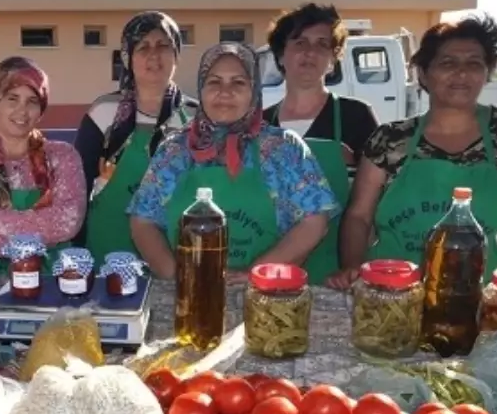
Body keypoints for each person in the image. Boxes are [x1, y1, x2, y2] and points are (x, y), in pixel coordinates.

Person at [328, 14, 497, 289]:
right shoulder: (389, 140)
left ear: (487, 73)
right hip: (395, 297)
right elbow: (359, 216)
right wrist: (353, 268)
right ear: (424, 74)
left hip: (490, 301)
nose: (461, 73)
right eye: (448, 63)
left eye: (474, 63)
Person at [128, 43, 340, 277]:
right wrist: (176, 276)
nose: (224, 92)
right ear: (201, 89)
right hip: (185, 295)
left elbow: (314, 222)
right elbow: (143, 221)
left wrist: (253, 274)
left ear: (254, 91)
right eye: (214, 82)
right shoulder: (174, 151)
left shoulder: (284, 149)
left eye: (238, 82)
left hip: (263, 293)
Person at [261, 4, 382, 284]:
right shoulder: (262, 125)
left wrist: (353, 267)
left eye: (322, 44)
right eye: (299, 42)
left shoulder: (357, 116)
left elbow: (373, 203)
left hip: (337, 271)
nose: (310, 52)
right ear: (281, 55)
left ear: (333, 58)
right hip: (271, 267)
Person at [73, 12, 199, 263]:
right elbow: (80, 187)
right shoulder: (104, 112)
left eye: (163, 45)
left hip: (170, 251)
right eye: (143, 47)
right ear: (128, 57)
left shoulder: (196, 119)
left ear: (176, 54)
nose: (154, 55)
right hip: (106, 247)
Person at [0, 57, 86, 273]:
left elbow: (67, 222)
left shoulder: (62, 157)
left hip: (52, 286)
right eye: (12, 98)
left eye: (32, 101)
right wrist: (27, 245)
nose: (22, 111)